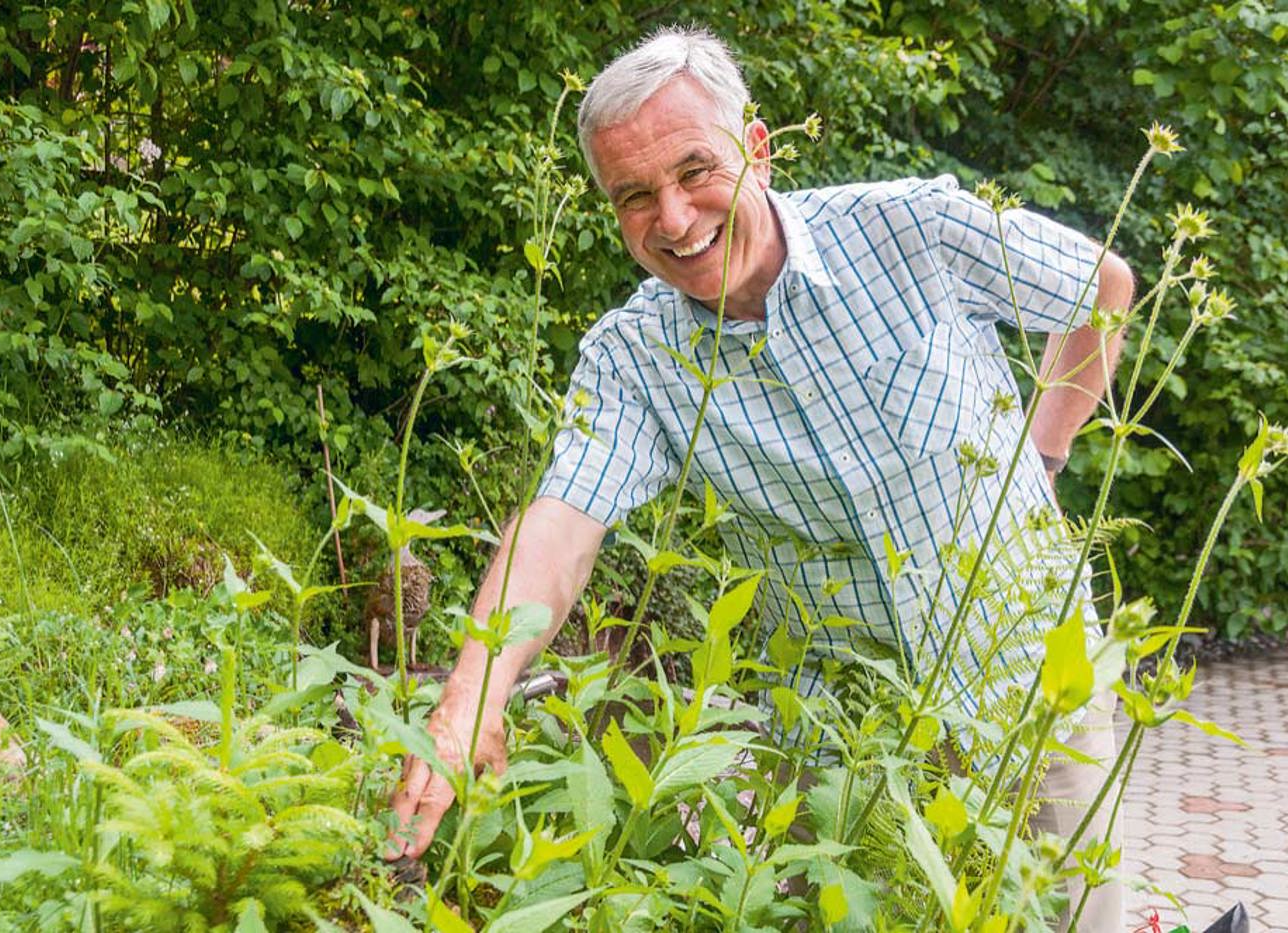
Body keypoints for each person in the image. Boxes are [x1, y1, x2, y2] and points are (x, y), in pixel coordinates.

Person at [389, 25, 1134, 930]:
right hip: (843, 751)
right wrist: (474, 690)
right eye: (634, 196)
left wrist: (1045, 453)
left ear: (758, 149)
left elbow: (1102, 285)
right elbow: (558, 525)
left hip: (1027, 687)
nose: (673, 218)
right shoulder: (638, 358)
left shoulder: (912, 228)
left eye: (695, 170)